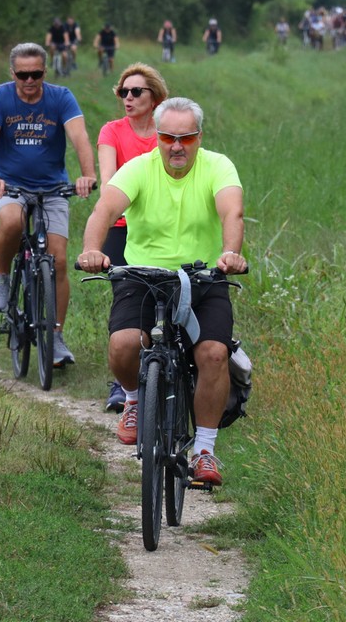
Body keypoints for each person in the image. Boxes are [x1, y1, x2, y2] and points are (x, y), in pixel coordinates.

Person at [77, 97, 247, 487]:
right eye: (168, 137)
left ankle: (204, 449)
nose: (176, 146)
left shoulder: (218, 166)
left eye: (185, 139)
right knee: (123, 345)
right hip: (143, 276)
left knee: (214, 353)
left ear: (198, 138)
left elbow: (231, 212)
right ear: (158, 136)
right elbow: (104, 211)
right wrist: (92, 250)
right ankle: (135, 399)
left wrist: (230, 253)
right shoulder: (138, 168)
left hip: (203, 277)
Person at [0, 42, 96, 366]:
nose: (29, 81)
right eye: (22, 74)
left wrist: (87, 175)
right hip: (10, 184)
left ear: (45, 72)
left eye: (36, 74)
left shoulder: (61, 97)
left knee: (58, 260)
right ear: (12, 73)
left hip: (53, 187)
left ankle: (56, 336)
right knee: (13, 223)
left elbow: (80, 137)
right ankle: (2, 278)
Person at [95, 63, 169, 412]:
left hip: (164, 226)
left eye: (136, 91)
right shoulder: (111, 131)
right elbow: (109, 178)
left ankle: (172, 367)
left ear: (154, 96)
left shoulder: (168, 132)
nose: (127, 97)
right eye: (123, 92)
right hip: (122, 226)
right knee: (128, 296)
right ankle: (122, 380)